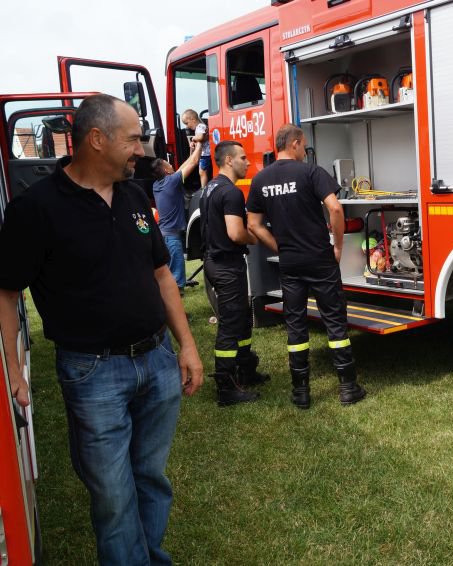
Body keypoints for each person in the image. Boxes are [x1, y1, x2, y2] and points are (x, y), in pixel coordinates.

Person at [0, 94, 204, 565]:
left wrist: (187, 346)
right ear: (97, 139)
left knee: (150, 478)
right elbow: (7, 294)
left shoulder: (132, 195)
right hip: (93, 373)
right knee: (113, 495)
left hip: (156, 361)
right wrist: (12, 370)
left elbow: (162, 275)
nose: (141, 150)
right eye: (133, 139)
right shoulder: (36, 209)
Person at [246, 124, 366, 409]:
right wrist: (338, 246)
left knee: (295, 325)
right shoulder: (311, 172)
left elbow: (253, 224)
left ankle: (301, 392)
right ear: (295, 143)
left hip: (290, 262)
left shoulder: (260, 179)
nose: (305, 151)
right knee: (334, 321)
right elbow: (335, 208)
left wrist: (279, 247)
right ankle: (348, 387)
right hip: (320, 258)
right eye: (304, 145)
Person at [201, 140, 269, 406]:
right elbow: (235, 233)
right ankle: (226, 386)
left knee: (241, 320)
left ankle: (245, 369)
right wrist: (254, 238)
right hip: (226, 265)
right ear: (228, 160)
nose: (248, 162)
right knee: (230, 325)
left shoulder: (210, 188)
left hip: (216, 262)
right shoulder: (231, 192)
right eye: (242, 158)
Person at [151, 140, 202, 294]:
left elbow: (183, 167)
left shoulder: (157, 185)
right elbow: (194, 162)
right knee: (177, 281)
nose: (171, 164)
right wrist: (200, 142)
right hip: (172, 238)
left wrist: (191, 151)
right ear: (166, 170)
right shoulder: (172, 182)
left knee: (168, 274)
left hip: (163, 235)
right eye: (168, 163)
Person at [181, 109, 211, 187]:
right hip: (204, 153)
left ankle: (203, 188)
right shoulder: (199, 127)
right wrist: (194, 142)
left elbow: (200, 137)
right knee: (202, 172)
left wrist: (193, 138)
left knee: (202, 172)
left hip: (205, 154)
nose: (187, 126)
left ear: (193, 119)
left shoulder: (200, 126)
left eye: (187, 123)